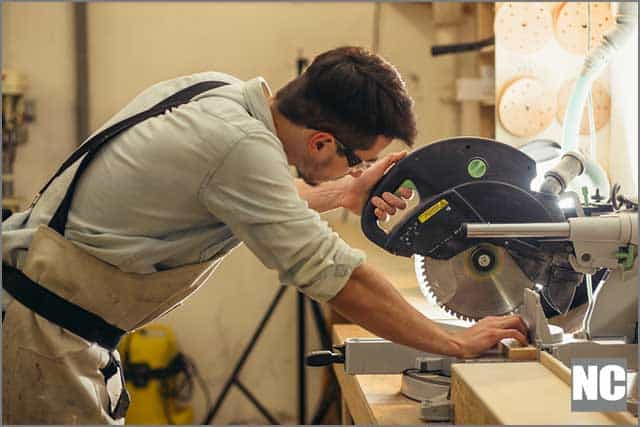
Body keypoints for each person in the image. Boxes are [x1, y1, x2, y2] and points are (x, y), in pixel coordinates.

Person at [2, 46, 527, 424]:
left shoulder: (220, 93)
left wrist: (344, 195)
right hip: (42, 335)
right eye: (359, 162)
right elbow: (337, 276)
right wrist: (452, 341)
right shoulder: (238, 146)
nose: (357, 173)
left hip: (50, 319)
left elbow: (260, 198)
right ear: (322, 141)